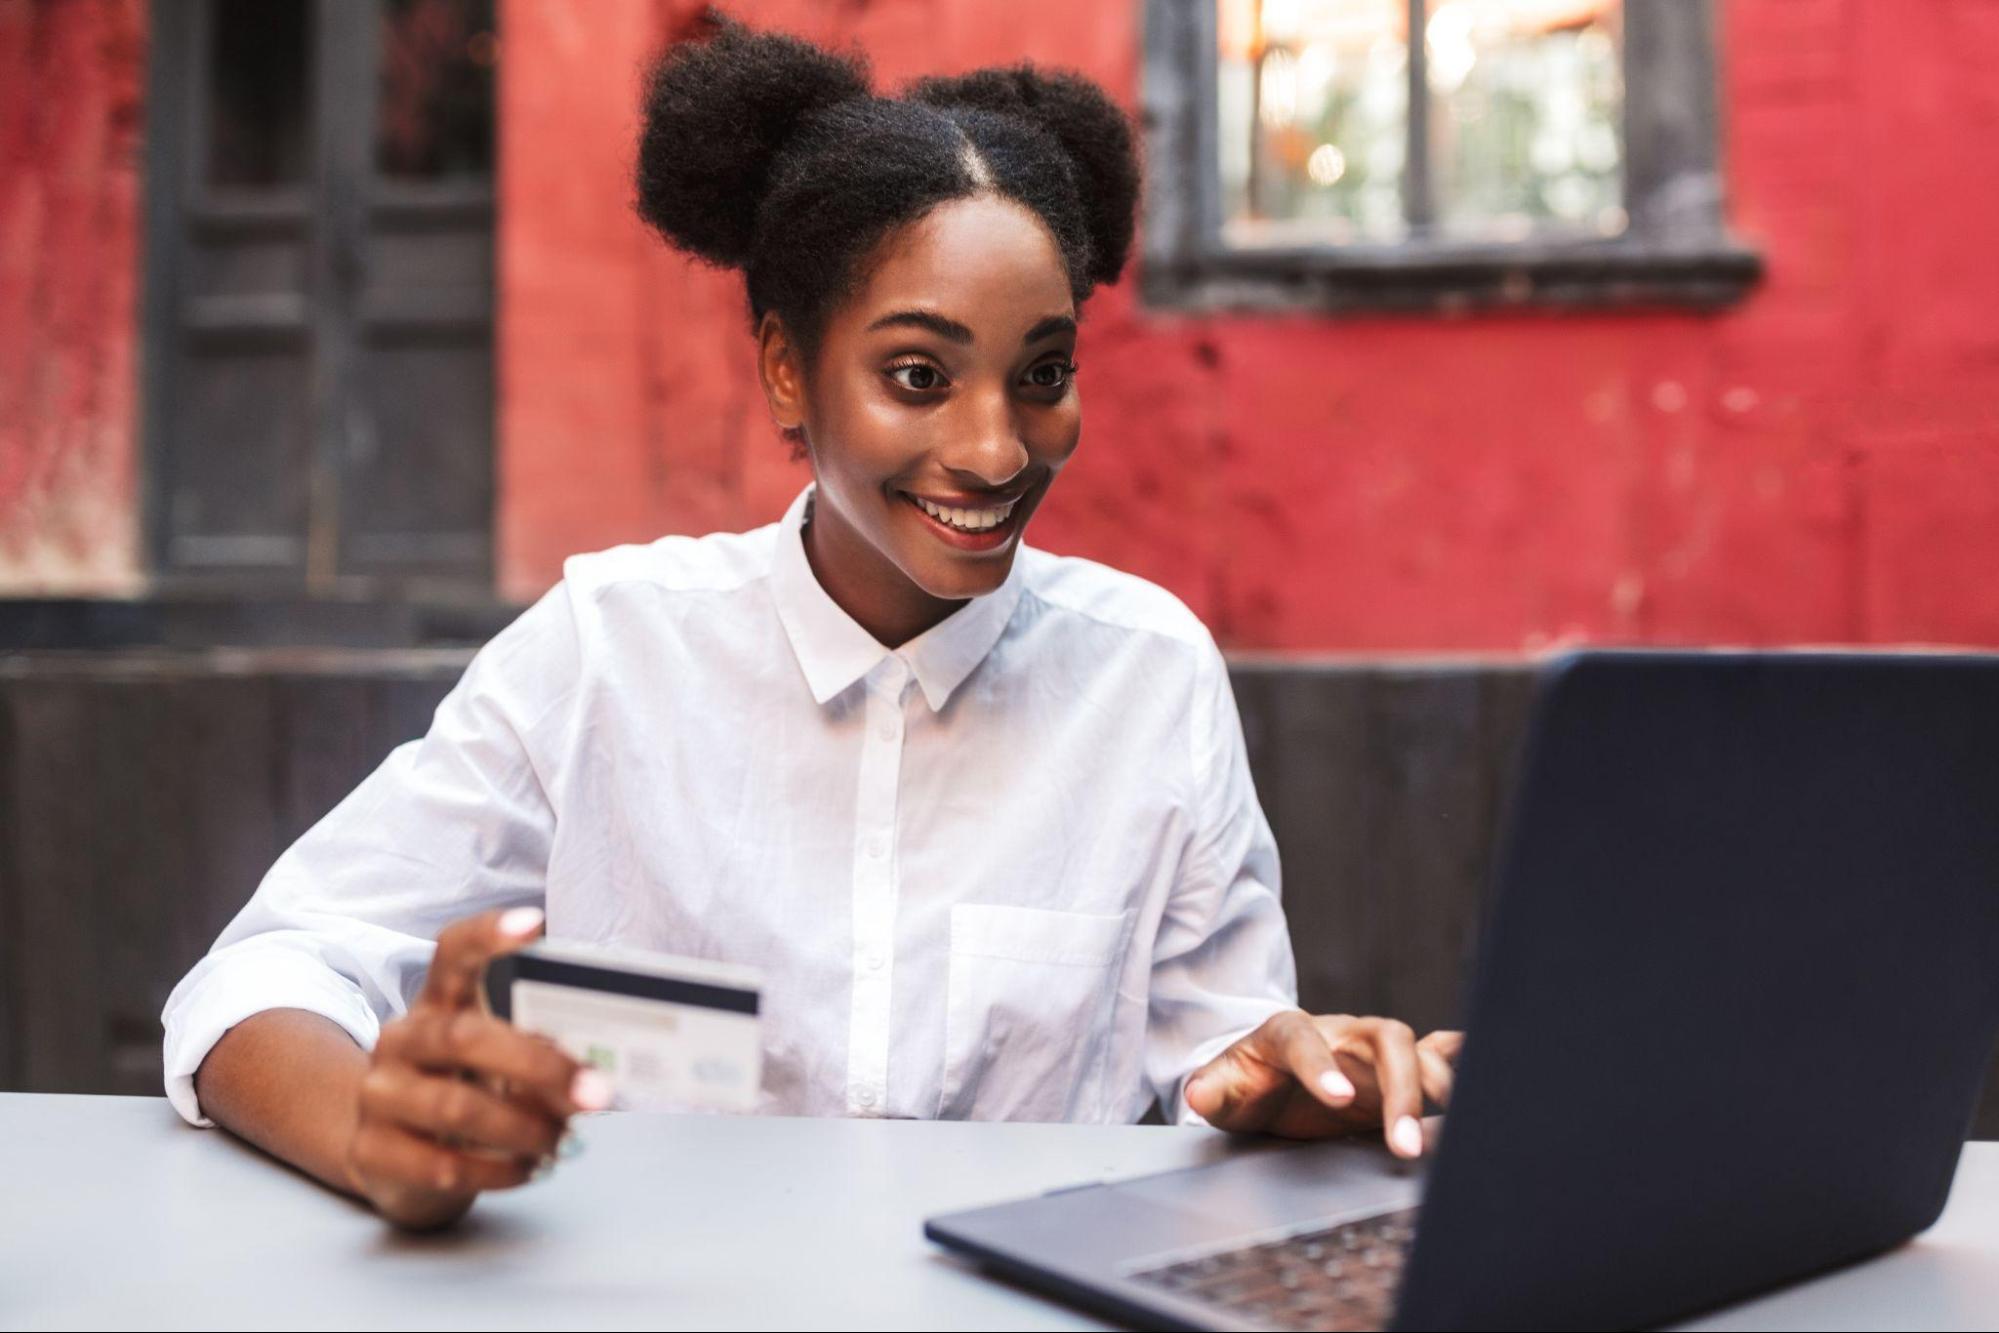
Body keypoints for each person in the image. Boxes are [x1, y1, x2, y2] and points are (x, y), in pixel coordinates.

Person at [162, 9, 1462, 1232]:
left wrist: (1298, 1084)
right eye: (918, 374)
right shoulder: (611, 649)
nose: (996, 446)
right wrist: (377, 1137)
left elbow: (1219, 1062)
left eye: (1044, 374)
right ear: (787, 368)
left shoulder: (1148, 676)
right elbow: (261, 980)